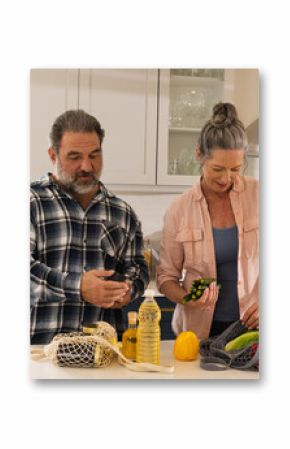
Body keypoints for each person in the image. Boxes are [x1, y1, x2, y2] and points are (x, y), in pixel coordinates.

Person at [30, 109, 149, 344]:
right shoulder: (30, 201)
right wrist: (78, 287)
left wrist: (127, 289)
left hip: (103, 354)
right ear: (53, 155)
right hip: (39, 355)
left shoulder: (122, 212)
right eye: (74, 157)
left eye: (94, 155)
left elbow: (138, 268)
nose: (87, 166)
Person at [157, 102, 259, 340]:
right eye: (217, 169)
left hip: (255, 328)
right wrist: (187, 298)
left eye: (235, 168)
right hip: (199, 332)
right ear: (199, 155)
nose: (227, 178)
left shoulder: (261, 195)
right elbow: (166, 278)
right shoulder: (178, 210)